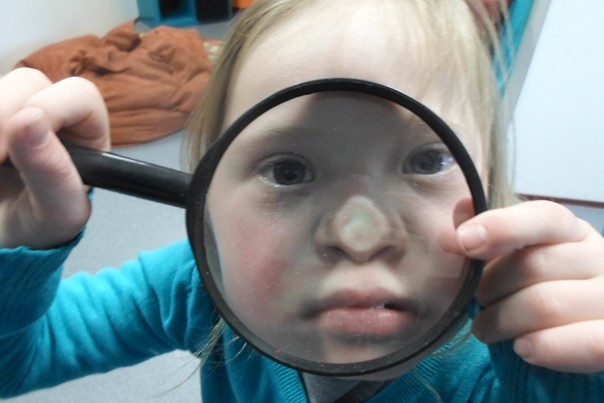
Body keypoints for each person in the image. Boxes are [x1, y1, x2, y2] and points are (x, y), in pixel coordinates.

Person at [1, 0, 604, 402]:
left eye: (426, 162)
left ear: (489, 183)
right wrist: (21, 236)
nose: (359, 235)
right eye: (288, 171)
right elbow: (16, 362)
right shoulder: (196, 284)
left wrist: (571, 380)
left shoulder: (505, 357)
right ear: (207, 199)